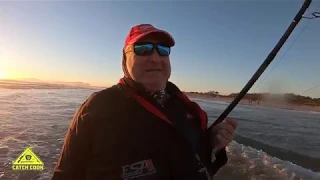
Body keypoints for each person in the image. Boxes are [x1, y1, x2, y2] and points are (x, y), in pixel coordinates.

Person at [51, 24, 238, 180]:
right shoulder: (97, 107)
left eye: (163, 50)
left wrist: (212, 144)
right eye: (143, 49)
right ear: (125, 60)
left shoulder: (186, 108)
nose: (155, 58)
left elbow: (202, 168)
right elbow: (65, 174)